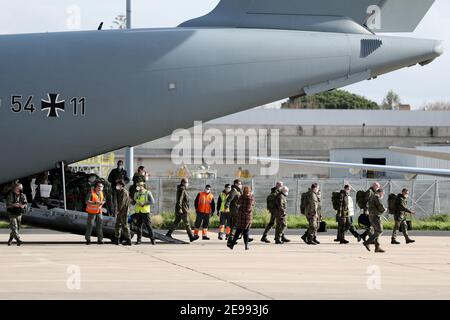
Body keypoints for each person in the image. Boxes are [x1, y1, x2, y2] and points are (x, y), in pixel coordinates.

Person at [227, 186, 255, 251]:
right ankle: (246, 245)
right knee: (246, 231)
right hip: (248, 217)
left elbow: (237, 203)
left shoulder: (241, 197)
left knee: (238, 231)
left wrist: (239, 208)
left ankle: (232, 244)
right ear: (249, 191)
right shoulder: (251, 198)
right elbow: (252, 205)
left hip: (241, 216)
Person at [363, 188, 387, 253]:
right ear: (380, 192)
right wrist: (384, 209)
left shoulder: (371, 197)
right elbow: (380, 206)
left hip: (371, 216)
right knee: (380, 230)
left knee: (376, 231)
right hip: (376, 216)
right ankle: (367, 242)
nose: (383, 195)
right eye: (383, 194)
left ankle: (377, 247)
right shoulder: (376, 197)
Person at [113, 180, 132, 246]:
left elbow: (122, 202)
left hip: (124, 211)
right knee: (118, 225)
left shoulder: (124, 192)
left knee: (124, 226)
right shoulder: (119, 191)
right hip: (120, 211)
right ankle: (117, 239)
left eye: (118, 185)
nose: (117, 186)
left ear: (122, 185)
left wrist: (118, 210)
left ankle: (128, 240)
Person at [225, 179, 242, 245]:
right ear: (236, 184)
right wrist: (226, 206)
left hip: (237, 210)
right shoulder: (234, 191)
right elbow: (229, 199)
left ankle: (231, 239)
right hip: (235, 211)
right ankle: (231, 239)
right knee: (235, 225)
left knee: (235, 225)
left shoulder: (237, 191)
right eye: (239, 184)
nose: (241, 185)